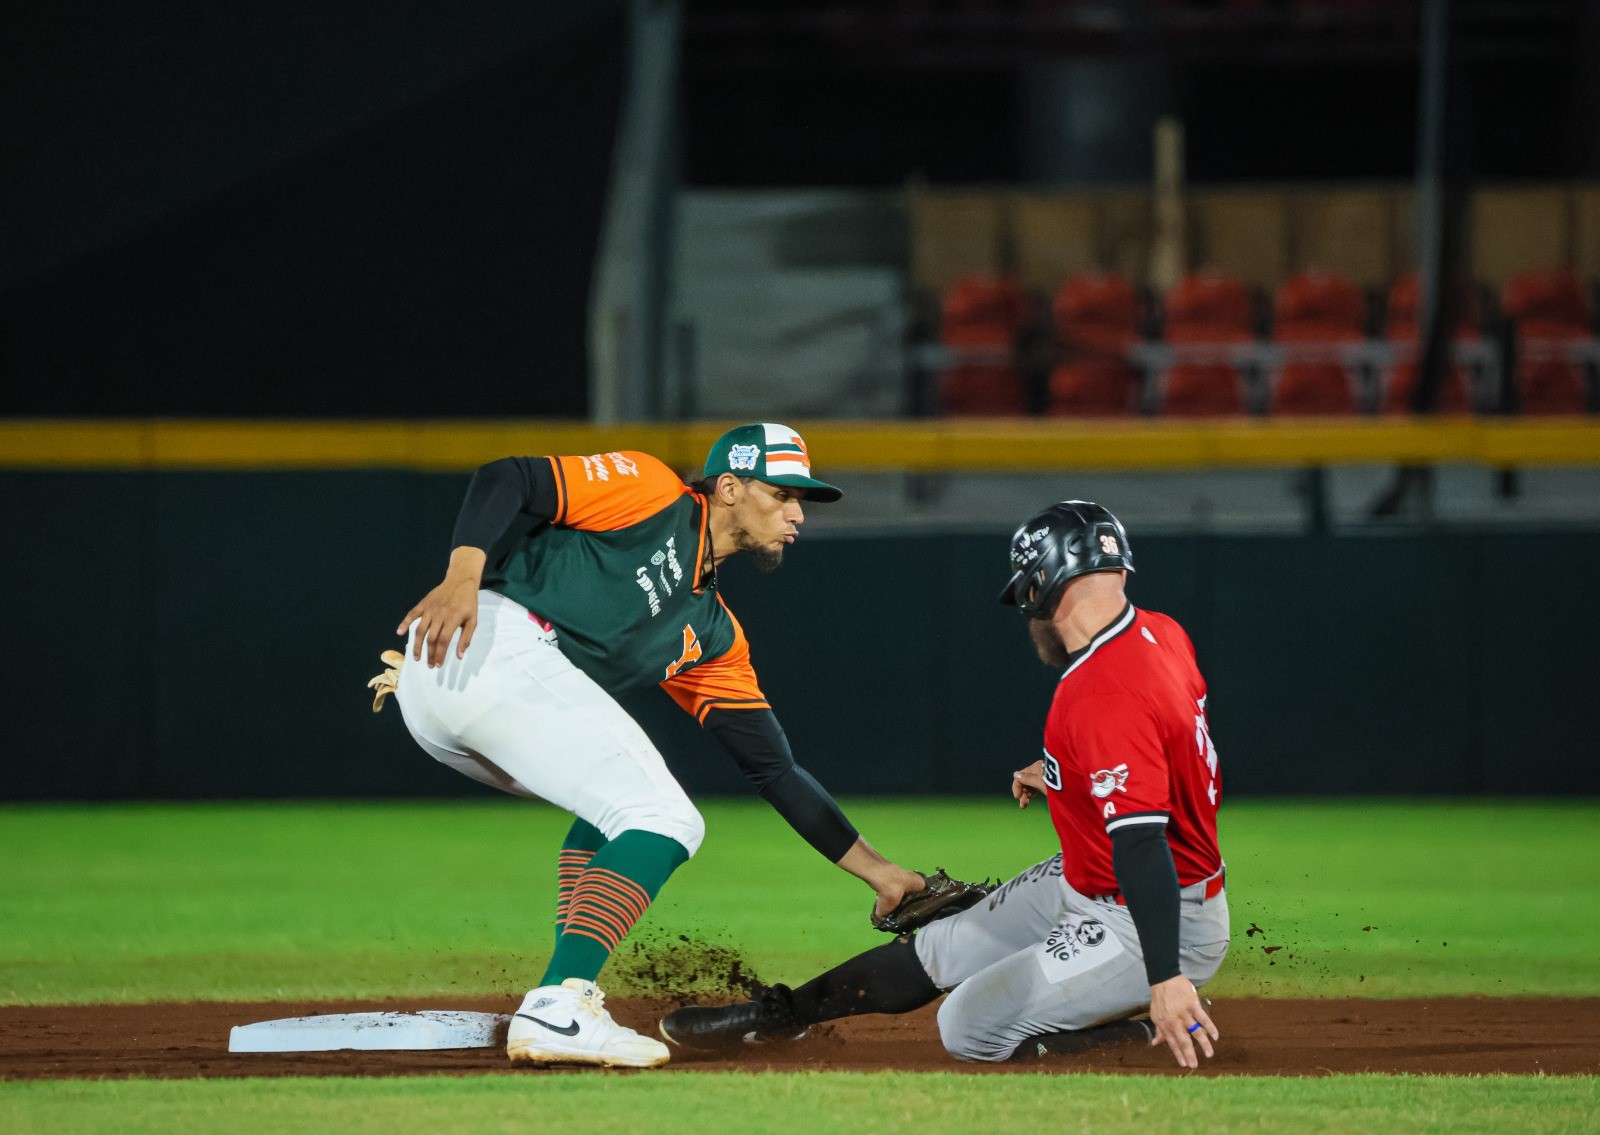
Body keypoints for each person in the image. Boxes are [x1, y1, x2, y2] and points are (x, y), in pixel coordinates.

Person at [373, 423, 926, 1069]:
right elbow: (509, 475)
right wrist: (462, 573)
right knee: (665, 817)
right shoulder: (650, 490)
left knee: (613, 810)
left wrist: (882, 874)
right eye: (781, 494)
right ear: (727, 487)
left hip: (466, 695)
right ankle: (559, 1003)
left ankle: (565, 991)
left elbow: (773, 768)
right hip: (480, 638)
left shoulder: (711, 633)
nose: (797, 513)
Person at [660, 501, 1230, 1068]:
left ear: (1039, 587)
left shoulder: (1102, 691)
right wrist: (1067, 771)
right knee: (938, 948)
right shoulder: (1160, 633)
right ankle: (777, 1019)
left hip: (1155, 915)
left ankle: (1154, 1025)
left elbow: (1142, 841)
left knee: (969, 1028)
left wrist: (1166, 975)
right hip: (1095, 875)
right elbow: (1168, 755)